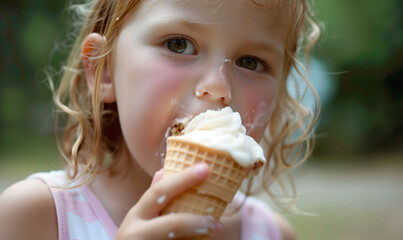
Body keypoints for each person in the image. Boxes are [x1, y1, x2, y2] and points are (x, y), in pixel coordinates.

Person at [0, 0, 320, 239]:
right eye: (178, 45)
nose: (218, 87)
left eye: (251, 62)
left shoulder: (268, 233)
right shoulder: (37, 218)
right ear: (104, 70)